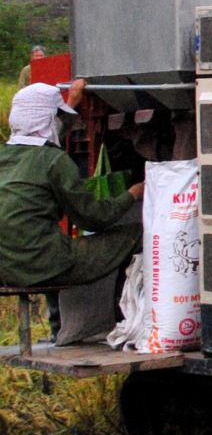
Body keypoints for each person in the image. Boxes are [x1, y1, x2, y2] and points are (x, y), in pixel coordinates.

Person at [0, 81, 143, 290]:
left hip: (5, 268)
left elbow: (46, 135)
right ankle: (127, 311)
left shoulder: (6, 154)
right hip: (38, 265)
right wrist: (132, 194)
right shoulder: (54, 161)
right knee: (137, 233)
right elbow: (93, 218)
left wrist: (70, 104)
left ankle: (57, 317)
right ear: (51, 119)